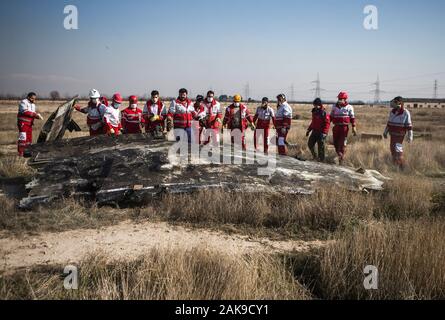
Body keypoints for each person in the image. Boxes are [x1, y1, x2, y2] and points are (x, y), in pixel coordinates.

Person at [383, 96, 413, 170]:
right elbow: (389, 123)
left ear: (398, 102)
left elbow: (409, 126)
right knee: (392, 149)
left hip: (400, 135)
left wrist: (410, 136)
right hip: (392, 134)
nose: (392, 103)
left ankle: (401, 166)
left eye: (394, 102)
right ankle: (395, 165)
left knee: (398, 150)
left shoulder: (405, 112)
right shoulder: (392, 112)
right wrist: (385, 132)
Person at [330, 91, 357, 164]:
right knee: (335, 143)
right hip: (336, 127)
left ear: (345, 99)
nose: (339, 100)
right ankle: (339, 154)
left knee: (342, 144)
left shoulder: (349, 107)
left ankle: (341, 159)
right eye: (338, 98)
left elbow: (352, 118)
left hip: (344, 128)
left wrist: (354, 127)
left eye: (341, 98)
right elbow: (331, 116)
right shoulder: (334, 106)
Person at [17, 92, 44, 156]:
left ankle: (28, 151)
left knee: (29, 138)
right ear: (28, 97)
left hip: (29, 124)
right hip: (23, 123)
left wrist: (38, 116)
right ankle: (21, 152)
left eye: (34, 98)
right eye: (32, 98)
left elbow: (32, 114)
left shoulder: (33, 105)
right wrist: (35, 115)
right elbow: (25, 112)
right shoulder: (24, 102)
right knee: (23, 138)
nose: (33, 100)